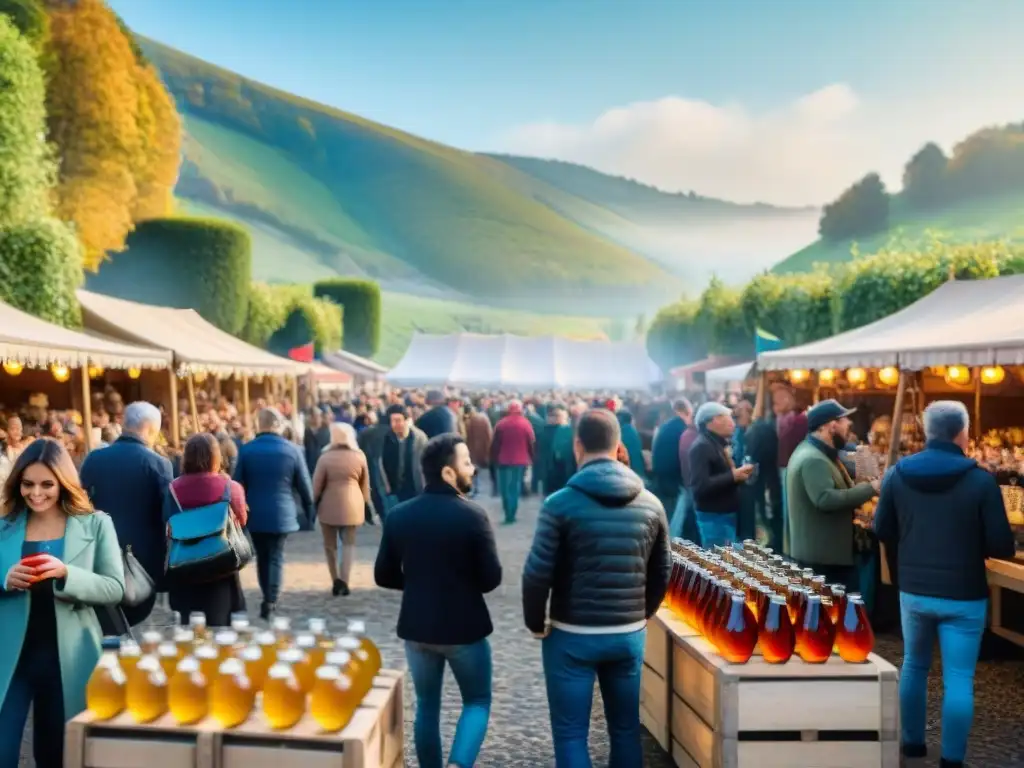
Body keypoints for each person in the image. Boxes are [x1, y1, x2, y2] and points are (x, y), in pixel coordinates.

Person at [522, 409, 671, 767]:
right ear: (619, 445)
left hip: (573, 633)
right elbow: (663, 569)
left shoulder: (559, 504)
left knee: (571, 732)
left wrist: (535, 621)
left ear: (577, 446)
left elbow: (537, 572)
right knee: (624, 729)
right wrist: (643, 612)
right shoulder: (651, 503)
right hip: (627, 633)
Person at [873, 401, 1015, 768]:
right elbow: (1001, 543)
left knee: (914, 666)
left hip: (914, 590)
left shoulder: (896, 474)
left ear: (926, 430)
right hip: (965, 593)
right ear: (963, 433)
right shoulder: (981, 480)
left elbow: (881, 529)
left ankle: (913, 745)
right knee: (958, 678)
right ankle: (952, 760)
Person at [375, 434, 501, 768]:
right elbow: (491, 580)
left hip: (418, 628)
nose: (473, 469)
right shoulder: (473, 516)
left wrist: (419, 584)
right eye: (466, 462)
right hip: (465, 629)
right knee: (477, 701)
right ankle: (459, 764)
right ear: (447, 473)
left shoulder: (400, 515)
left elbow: (383, 575)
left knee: (426, 706)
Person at [0, 438, 125, 767]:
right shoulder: (3, 526)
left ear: (64, 483)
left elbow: (114, 588)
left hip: (69, 658)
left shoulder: (96, 523)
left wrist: (69, 574)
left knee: (58, 754)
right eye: (27, 484)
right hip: (9, 659)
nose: (35, 493)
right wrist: (4, 579)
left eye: (46, 484)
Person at [79, 401, 172, 627]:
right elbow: (169, 516)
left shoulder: (94, 459)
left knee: (105, 621)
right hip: (143, 562)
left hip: (95, 555)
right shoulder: (158, 464)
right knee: (132, 619)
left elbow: (78, 505)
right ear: (151, 429)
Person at [786, 399, 879, 586]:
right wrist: (872, 488)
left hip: (824, 555)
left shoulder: (817, 452)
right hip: (823, 559)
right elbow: (825, 499)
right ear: (832, 426)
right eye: (846, 423)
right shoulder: (813, 458)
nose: (849, 429)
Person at [234, 407, 314, 620]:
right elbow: (305, 486)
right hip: (282, 511)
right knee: (277, 554)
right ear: (278, 425)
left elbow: (237, 484)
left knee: (262, 555)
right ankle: (271, 598)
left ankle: (267, 594)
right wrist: (310, 512)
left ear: (258, 424)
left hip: (255, 512)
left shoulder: (246, 450)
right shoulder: (293, 450)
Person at [164, 433, 248, 627]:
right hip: (221, 563)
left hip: (184, 563)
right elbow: (242, 520)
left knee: (190, 624)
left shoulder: (172, 489)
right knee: (220, 624)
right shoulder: (230, 487)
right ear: (216, 457)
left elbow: (167, 524)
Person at [312, 422, 370, 597]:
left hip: (329, 504)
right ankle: (345, 579)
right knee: (349, 544)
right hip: (353, 503)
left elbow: (316, 485)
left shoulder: (325, 457)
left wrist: (313, 503)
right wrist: (366, 502)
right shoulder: (359, 456)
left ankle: (335, 579)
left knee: (330, 546)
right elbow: (365, 484)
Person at [687, 402, 754, 548]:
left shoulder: (716, 443)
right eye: (728, 418)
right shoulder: (702, 447)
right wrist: (733, 476)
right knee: (719, 566)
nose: (732, 423)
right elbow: (700, 487)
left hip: (723, 516)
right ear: (714, 420)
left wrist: (738, 476)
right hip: (714, 518)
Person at [774, 383, 808, 555]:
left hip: (791, 468)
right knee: (788, 512)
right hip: (785, 468)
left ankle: (791, 552)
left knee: (791, 512)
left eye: (780, 399)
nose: (776, 404)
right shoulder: (783, 420)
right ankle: (789, 551)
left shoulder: (798, 421)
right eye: (775, 400)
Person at [491, 400, 535, 524]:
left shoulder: (501, 424)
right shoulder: (526, 424)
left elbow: (495, 444)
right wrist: (531, 457)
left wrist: (493, 459)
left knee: (504, 488)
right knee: (515, 487)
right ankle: (512, 514)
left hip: (503, 460)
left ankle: (507, 512)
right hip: (520, 460)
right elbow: (531, 443)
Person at [649, 399, 690, 532]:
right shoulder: (681, 428)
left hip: (662, 479)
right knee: (675, 520)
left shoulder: (666, 426)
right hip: (673, 482)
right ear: (686, 412)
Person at [380, 404, 428, 508]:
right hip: (394, 489)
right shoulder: (386, 438)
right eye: (391, 421)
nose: (394, 424)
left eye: (397, 420)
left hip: (415, 488)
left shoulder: (419, 438)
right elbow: (381, 463)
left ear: (407, 420)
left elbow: (426, 464)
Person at [464, 403, 493, 499]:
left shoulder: (471, 421)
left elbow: (467, 437)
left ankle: (474, 490)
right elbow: (489, 435)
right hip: (481, 449)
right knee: (476, 470)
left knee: (473, 471)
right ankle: (477, 489)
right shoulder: (484, 418)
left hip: (472, 450)